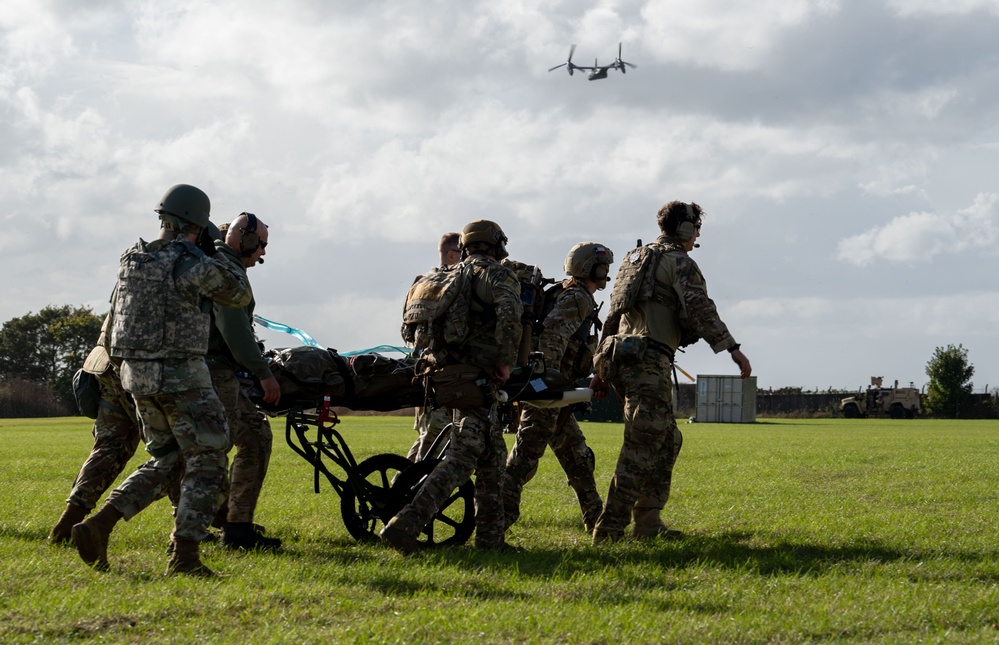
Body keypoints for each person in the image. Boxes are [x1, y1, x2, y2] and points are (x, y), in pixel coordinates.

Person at [71, 183, 252, 577]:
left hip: (136, 379)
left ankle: (99, 525)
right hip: (182, 376)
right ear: (198, 223)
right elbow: (238, 294)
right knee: (208, 457)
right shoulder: (190, 263)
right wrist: (222, 248)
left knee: (170, 459)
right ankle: (185, 556)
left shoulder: (132, 260)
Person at [589, 201, 751, 543]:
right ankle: (609, 530)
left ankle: (648, 522)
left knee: (667, 439)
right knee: (642, 446)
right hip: (649, 360)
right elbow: (699, 308)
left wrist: (599, 369)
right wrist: (732, 349)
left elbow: (613, 316)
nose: (696, 238)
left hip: (618, 356)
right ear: (687, 229)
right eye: (696, 230)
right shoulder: (679, 261)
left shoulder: (633, 259)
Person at [381, 219, 522, 553]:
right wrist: (506, 360)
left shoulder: (444, 277)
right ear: (496, 243)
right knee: (461, 458)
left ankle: (491, 539)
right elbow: (511, 314)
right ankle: (404, 526)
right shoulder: (496, 274)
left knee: (492, 455)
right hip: (476, 377)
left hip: (444, 376)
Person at [502, 242, 613, 535]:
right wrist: (546, 380)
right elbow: (552, 333)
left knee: (578, 459)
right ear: (594, 268)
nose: (607, 273)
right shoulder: (578, 298)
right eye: (604, 267)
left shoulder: (565, 292)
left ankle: (597, 523)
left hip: (557, 394)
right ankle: (495, 525)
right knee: (522, 463)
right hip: (548, 394)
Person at [205, 212, 282, 550]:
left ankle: (214, 520)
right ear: (245, 237)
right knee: (255, 436)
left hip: (202, 369)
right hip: (214, 372)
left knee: (196, 451)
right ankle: (236, 530)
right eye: (261, 244)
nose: (262, 253)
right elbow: (233, 331)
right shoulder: (227, 270)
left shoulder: (212, 261)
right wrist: (264, 373)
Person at [48, 318, 141, 544]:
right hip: (141, 363)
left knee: (109, 446)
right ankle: (188, 530)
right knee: (172, 448)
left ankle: (68, 521)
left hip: (106, 361)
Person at [405, 232, 461, 462]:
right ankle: (405, 492)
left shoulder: (421, 283)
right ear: (450, 254)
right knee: (431, 446)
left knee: (426, 439)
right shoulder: (455, 283)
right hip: (446, 376)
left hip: (424, 373)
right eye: (462, 252)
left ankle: (399, 489)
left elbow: (406, 331)